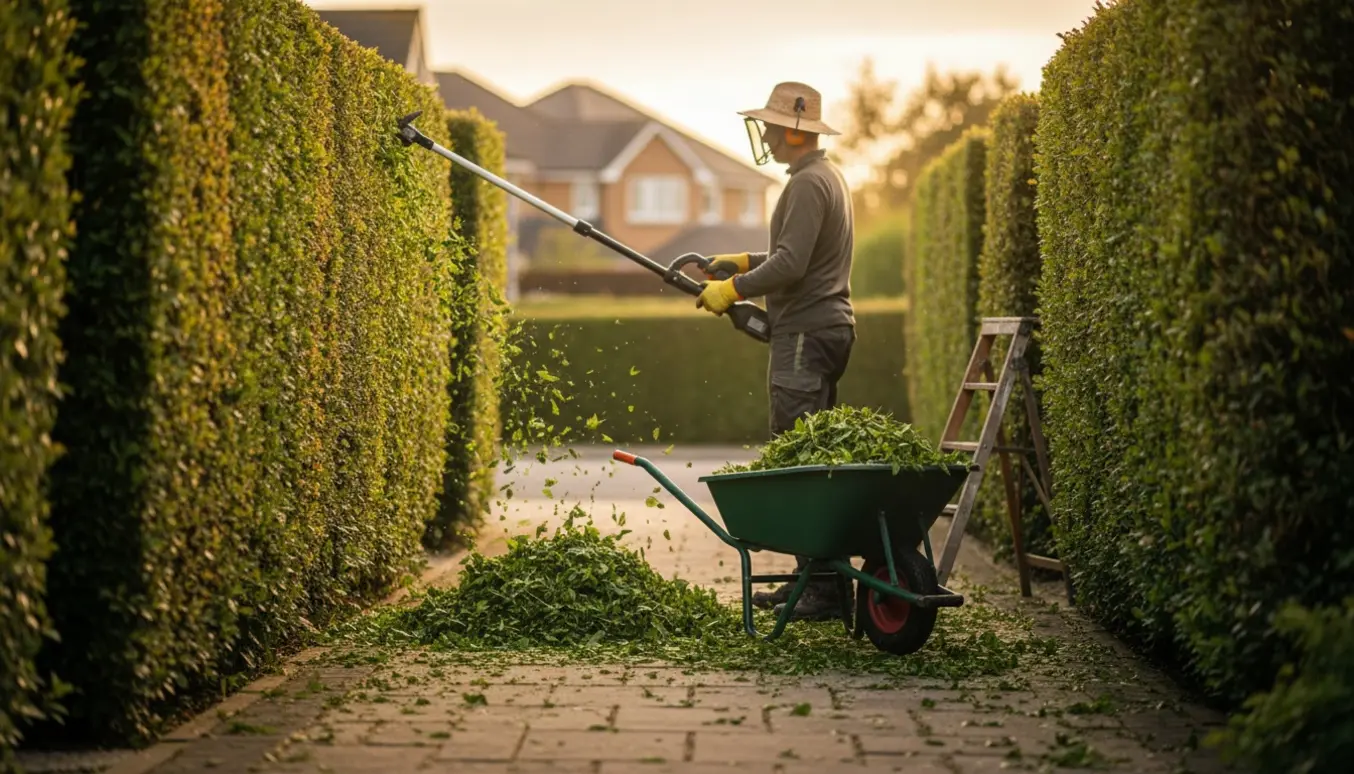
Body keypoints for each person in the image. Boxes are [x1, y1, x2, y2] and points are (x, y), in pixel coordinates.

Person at [697, 81, 856, 621]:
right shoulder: (823, 178)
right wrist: (742, 261)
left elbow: (790, 266)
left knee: (798, 460)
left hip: (807, 334)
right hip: (825, 328)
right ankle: (813, 578)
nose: (762, 132)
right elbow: (794, 253)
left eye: (769, 123)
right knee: (814, 458)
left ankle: (824, 591)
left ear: (793, 130)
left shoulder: (809, 184)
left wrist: (732, 291)